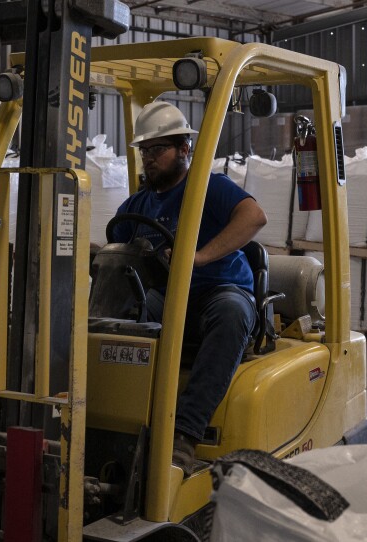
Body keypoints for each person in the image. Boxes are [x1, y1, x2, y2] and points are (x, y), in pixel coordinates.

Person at [109, 101, 267, 476]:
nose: (149, 158)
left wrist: (197, 257)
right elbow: (115, 249)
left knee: (230, 314)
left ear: (184, 149)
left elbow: (254, 216)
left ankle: (184, 435)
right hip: (169, 299)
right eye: (145, 151)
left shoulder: (208, 187)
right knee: (115, 312)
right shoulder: (137, 204)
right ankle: (114, 418)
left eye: (158, 149)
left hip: (219, 290)